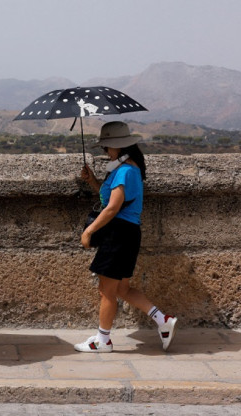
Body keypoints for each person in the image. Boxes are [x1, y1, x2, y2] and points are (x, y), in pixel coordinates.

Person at [75, 121, 177, 353]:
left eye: (107, 147)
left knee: (106, 291)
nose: (105, 152)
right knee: (122, 289)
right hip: (127, 234)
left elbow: (111, 208)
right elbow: (112, 199)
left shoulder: (124, 171)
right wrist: (93, 181)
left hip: (118, 235)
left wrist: (88, 231)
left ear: (118, 147)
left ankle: (103, 341)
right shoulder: (129, 169)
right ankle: (163, 320)